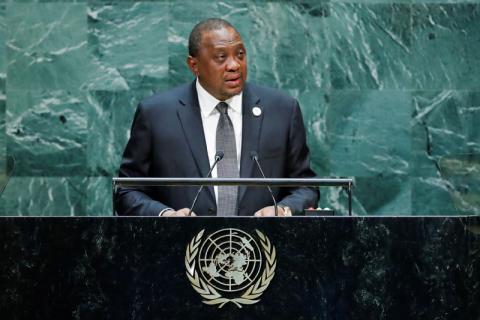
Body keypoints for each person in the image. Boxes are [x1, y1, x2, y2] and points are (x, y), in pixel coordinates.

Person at [116, 18, 318, 217]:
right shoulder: (156, 115)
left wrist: (283, 210)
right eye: (221, 57)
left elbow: (306, 187)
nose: (234, 65)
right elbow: (127, 191)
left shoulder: (282, 110)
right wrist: (165, 215)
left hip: (263, 246)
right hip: (181, 246)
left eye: (240, 54)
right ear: (194, 65)